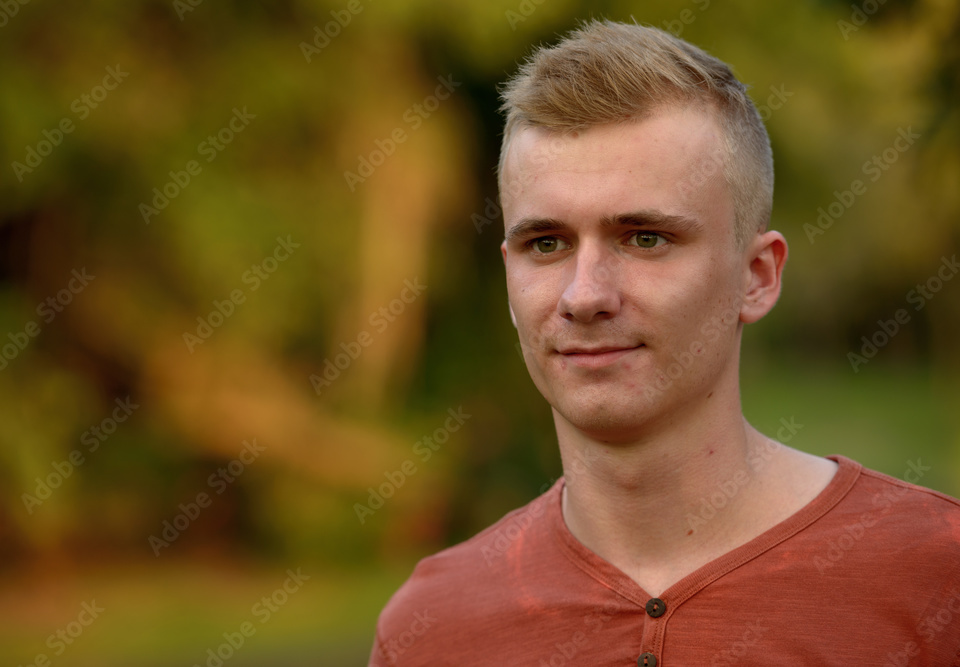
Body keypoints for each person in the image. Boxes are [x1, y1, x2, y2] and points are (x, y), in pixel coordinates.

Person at [368, 19, 960, 666]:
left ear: (756, 277)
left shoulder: (935, 576)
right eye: (547, 243)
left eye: (645, 237)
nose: (584, 294)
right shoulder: (433, 628)